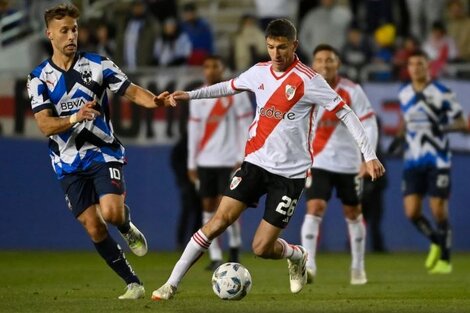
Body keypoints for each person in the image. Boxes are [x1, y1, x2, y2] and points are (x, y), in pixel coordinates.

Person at [151, 19, 385, 301]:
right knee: (217, 221)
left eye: (282, 47)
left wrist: (369, 154)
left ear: (294, 46)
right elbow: (227, 86)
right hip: (255, 164)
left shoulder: (309, 80)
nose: (276, 53)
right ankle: (171, 284)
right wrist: (188, 95)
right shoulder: (259, 72)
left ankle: (296, 254)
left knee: (261, 248)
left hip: (289, 176)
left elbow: (346, 113)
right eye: (271, 47)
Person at [26, 3, 172, 299]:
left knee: (111, 212)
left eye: (75, 29)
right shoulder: (38, 78)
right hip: (66, 162)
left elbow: (130, 90)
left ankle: (125, 224)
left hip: (102, 151)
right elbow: (44, 125)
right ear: (49, 34)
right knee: (94, 227)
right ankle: (133, 282)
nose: (71, 36)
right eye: (64, 30)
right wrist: (75, 117)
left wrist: (155, 101)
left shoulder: (98, 64)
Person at [300, 44, 378, 285]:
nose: (325, 64)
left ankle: (358, 267)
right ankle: (309, 265)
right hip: (318, 160)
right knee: (315, 207)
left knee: (353, 213)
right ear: (313, 65)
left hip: (349, 163)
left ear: (338, 64)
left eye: (329, 60)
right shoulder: (306, 90)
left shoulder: (352, 91)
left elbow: (369, 123)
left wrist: (368, 158)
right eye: (320, 60)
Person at [394, 50, 468, 274]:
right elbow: (407, 120)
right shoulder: (404, 93)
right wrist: (398, 139)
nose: (416, 68)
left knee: (437, 209)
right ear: (408, 68)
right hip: (413, 160)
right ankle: (437, 240)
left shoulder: (442, 93)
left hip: (438, 159)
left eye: (420, 63)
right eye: (412, 64)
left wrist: (443, 128)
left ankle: (445, 260)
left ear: (428, 66)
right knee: (412, 212)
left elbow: (462, 124)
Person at [187, 55, 253, 270]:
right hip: (206, 161)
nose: (210, 70)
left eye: (215, 65)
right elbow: (194, 132)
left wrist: (243, 158)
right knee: (207, 206)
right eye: (206, 66)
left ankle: (234, 247)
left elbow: (247, 127)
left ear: (222, 68)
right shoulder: (199, 96)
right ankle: (214, 254)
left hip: (230, 161)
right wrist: (192, 163)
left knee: (227, 207)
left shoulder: (237, 95)